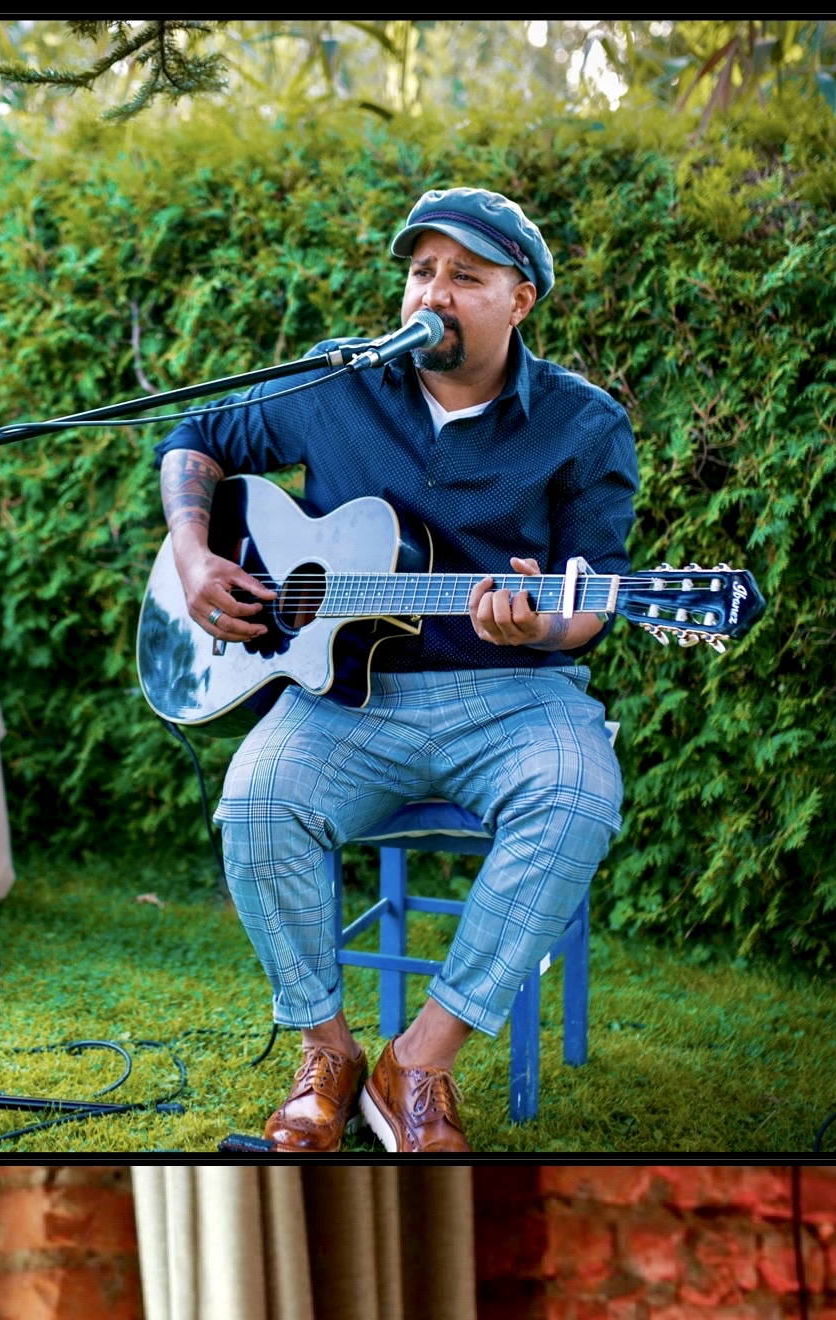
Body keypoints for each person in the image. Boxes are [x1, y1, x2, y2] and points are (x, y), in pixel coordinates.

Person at [157, 186, 631, 1151]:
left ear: (520, 299)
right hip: (344, 701)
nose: (434, 292)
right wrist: (195, 554)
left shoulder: (583, 425)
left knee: (580, 794)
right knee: (255, 798)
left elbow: (591, 601)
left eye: (466, 275)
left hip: (513, 696)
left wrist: (539, 629)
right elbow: (194, 439)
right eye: (422, 271)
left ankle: (419, 1060)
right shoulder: (337, 381)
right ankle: (326, 1053)